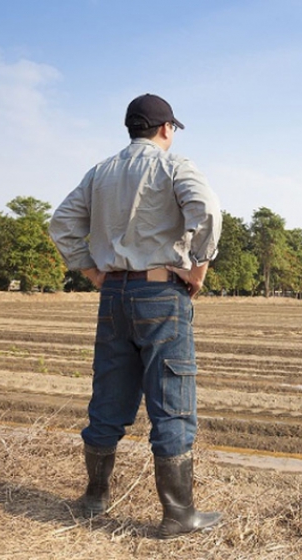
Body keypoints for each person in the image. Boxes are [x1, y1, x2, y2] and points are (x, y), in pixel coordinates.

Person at [49, 93, 223, 538]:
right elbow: (206, 210)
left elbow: (62, 222)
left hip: (114, 297)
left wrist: (92, 272)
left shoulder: (101, 172)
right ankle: (179, 514)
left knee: (109, 396)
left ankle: (93, 498)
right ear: (167, 129)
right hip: (161, 293)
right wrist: (198, 268)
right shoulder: (175, 166)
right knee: (172, 403)